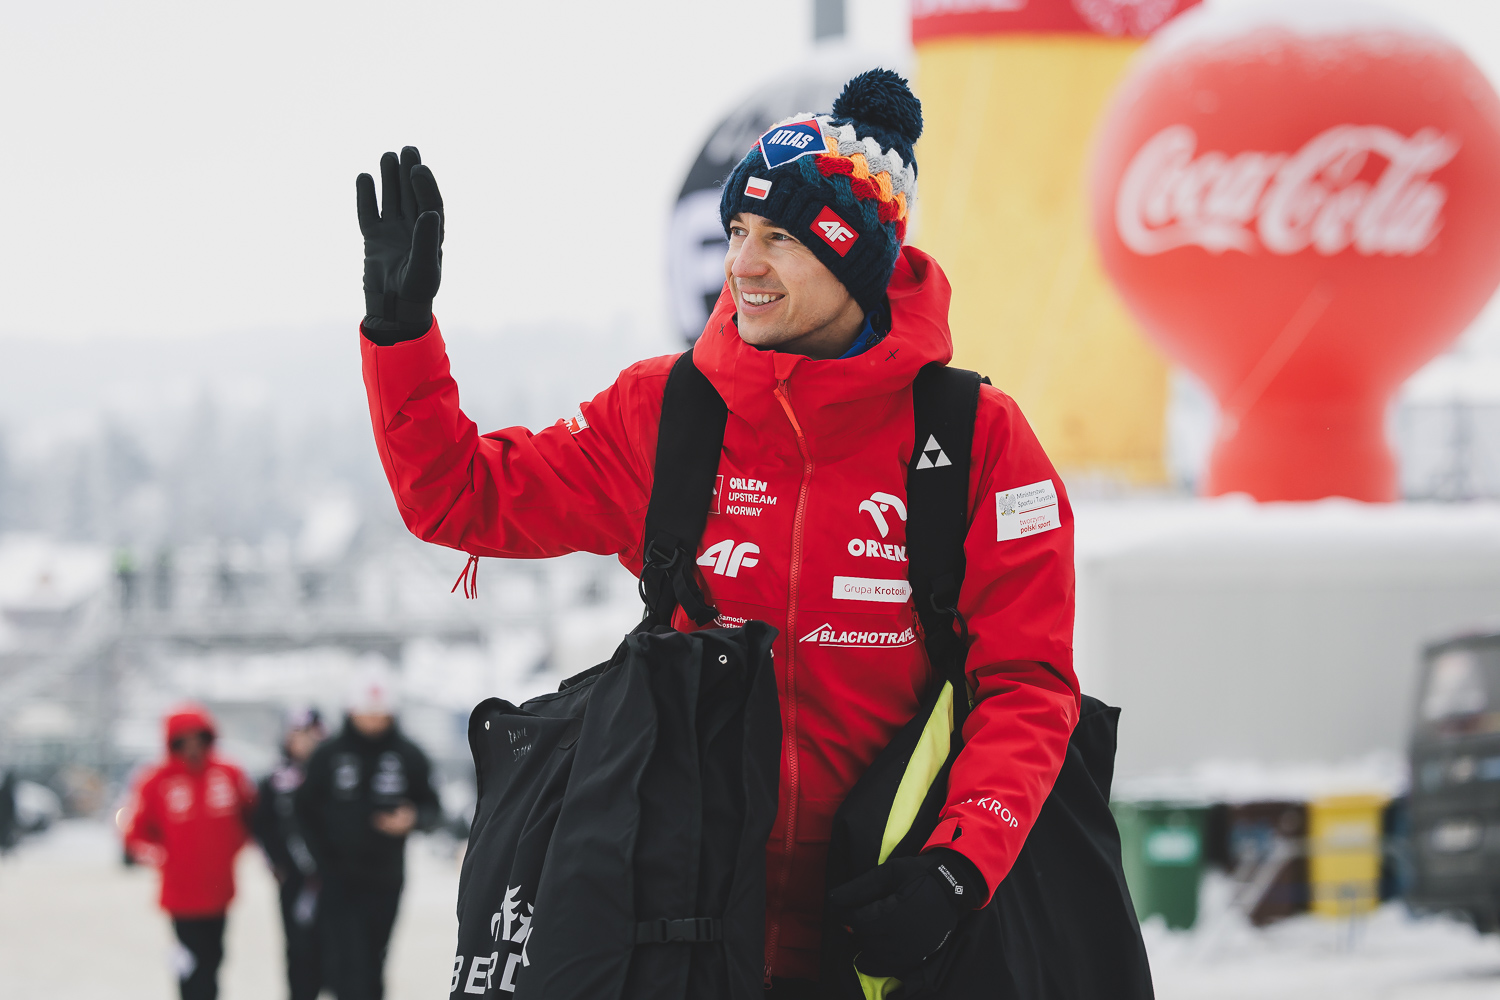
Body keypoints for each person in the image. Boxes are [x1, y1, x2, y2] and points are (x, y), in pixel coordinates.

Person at [355, 69, 1077, 994]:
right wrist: (401, 335)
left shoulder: (976, 437)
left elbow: (1028, 682)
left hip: (888, 933)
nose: (743, 265)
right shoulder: (668, 412)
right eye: (738, 230)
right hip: (684, 936)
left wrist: (958, 867)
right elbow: (462, 497)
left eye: (781, 238)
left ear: (856, 259)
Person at [295, 665, 440, 1000]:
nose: (374, 721)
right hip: (337, 878)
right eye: (367, 712)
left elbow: (433, 808)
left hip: (386, 878)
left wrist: (413, 818)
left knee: (374, 960)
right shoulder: (328, 754)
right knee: (345, 961)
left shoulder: (409, 754)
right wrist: (319, 861)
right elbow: (304, 810)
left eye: (381, 713)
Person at [122, 704, 257, 1000]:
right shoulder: (156, 780)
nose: (192, 746)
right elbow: (135, 832)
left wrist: (233, 847)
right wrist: (163, 858)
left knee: (214, 959)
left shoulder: (229, 774)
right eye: (184, 740)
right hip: (181, 895)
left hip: (219, 889)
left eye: (198, 737)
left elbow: (251, 818)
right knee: (189, 965)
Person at [251, 707, 327, 1000]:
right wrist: (277, 862)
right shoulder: (276, 779)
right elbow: (261, 824)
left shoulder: (334, 774)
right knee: (299, 949)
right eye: (297, 734)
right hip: (294, 878)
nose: (304, 742)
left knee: (338, 950)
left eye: (310, 735)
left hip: (333, 878)